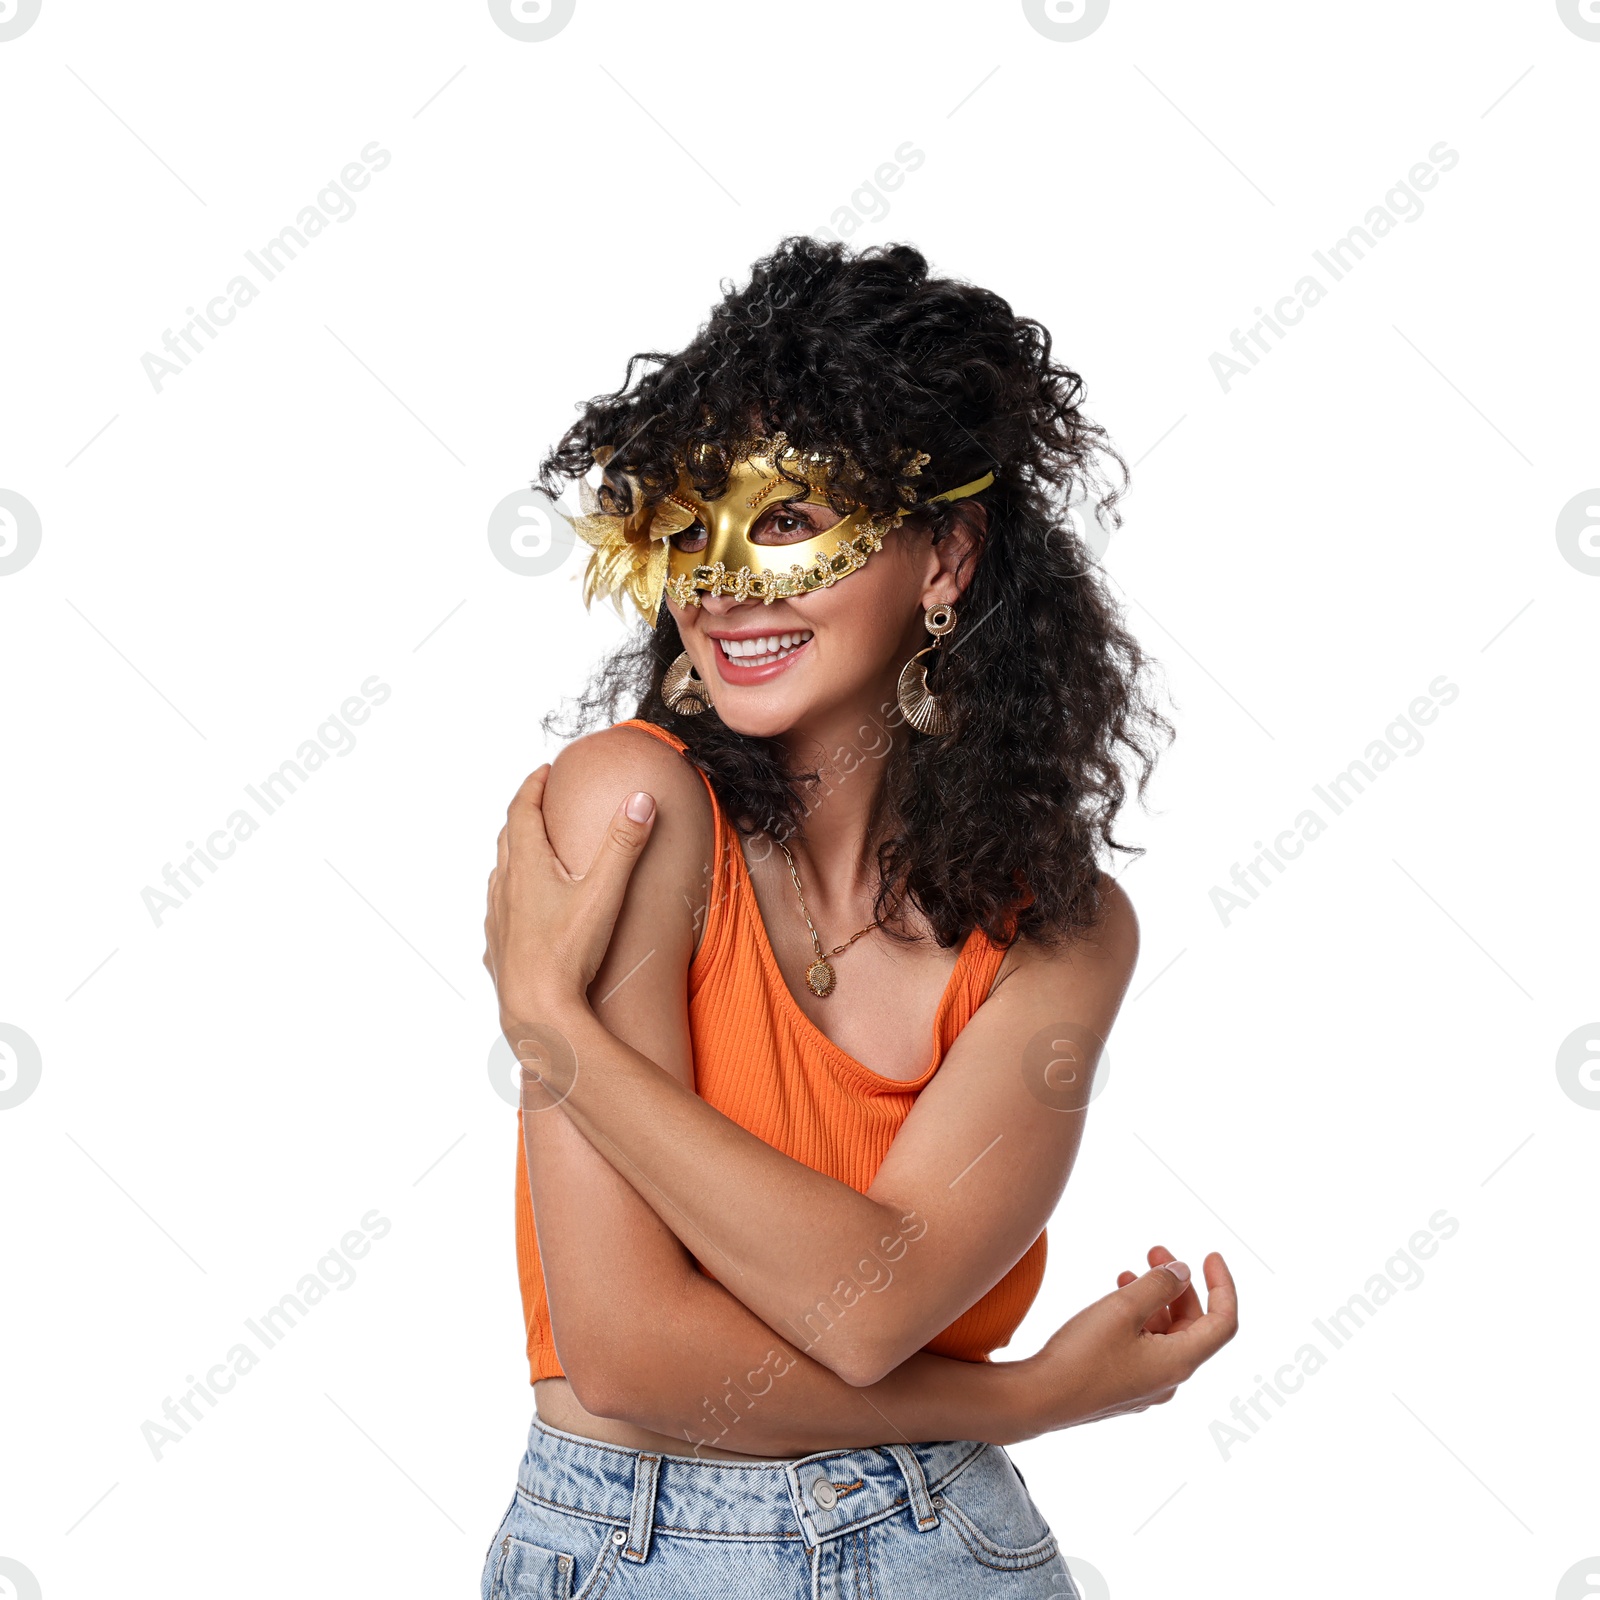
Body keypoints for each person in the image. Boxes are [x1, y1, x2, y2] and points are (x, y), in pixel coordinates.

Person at [480, 237, 1238, 1598]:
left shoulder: (1061, 930)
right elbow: (633, 1354)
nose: (721, 581)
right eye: (689, 524)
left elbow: (879, 1306)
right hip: (642, 1545)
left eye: (784, 522)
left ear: (945, 554)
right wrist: (1026, 1400)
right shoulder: (629, 811)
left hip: (951, 1550)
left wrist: (557, 1036)